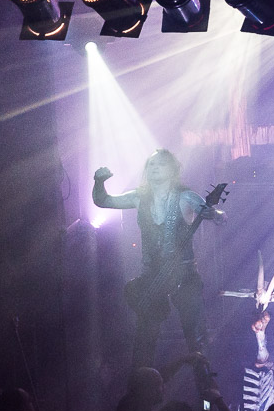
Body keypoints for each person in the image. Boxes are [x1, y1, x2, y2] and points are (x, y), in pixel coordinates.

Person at [93, 150, 225, 368]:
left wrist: (217, 215)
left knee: (195, 336)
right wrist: (99, 182)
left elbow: (211, 212)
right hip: (152, 275)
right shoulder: (139, 197)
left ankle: (205, 385)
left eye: (160, 164)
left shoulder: (185, 196)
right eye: (151, 164)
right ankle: (142, 383)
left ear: (173, 169)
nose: (154, 167)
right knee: (145, 335)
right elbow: (103, 200)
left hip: (184, 274)